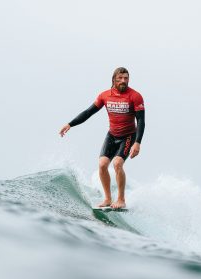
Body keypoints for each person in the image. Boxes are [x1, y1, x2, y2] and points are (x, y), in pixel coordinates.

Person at [59, 67, 145, 209]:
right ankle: (107, 199)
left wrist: (137, 143)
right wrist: (70, 124)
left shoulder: (135, 96)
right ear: (114, 79)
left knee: (117, 163)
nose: (124, 81)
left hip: (128, 135)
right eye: (120, 78)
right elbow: (88, 112)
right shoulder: (105, 96)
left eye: (126, 78)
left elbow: (141, 121)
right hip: (112, 135)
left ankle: (121, 199)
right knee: (102, 164)